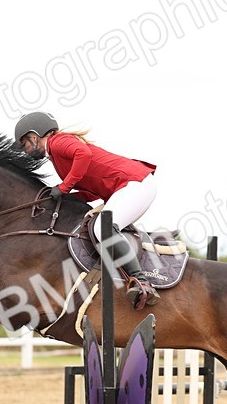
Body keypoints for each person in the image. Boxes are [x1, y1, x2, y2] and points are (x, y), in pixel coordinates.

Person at [14, 111, 160, 308]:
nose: (25, 150)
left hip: (135, 184)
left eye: (24, 144)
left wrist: (64, 188)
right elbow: (90, 191)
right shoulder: (55, 156)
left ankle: (141, 281)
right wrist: (66, 198)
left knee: (103, 228)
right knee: (98, 227)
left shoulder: (57, 142)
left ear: (34, 136)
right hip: (128, 187)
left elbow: (83, 154)